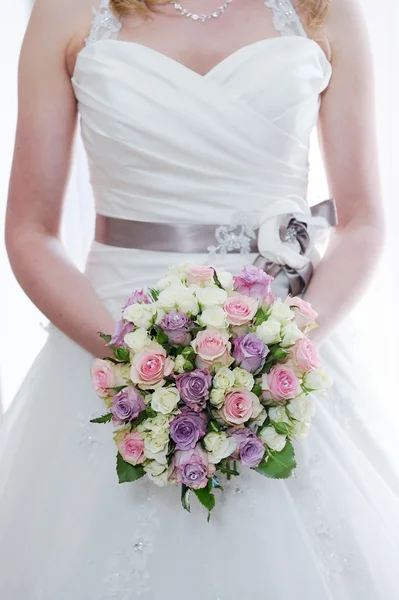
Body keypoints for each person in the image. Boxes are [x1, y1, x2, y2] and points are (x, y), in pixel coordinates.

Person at [1, 0, 399, 597]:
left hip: (283, 342)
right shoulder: (65, 10)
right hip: (106, 341)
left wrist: (285, 347)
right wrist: (127, 357)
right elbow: (30, 228)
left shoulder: (323, 8)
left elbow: (363, 219)